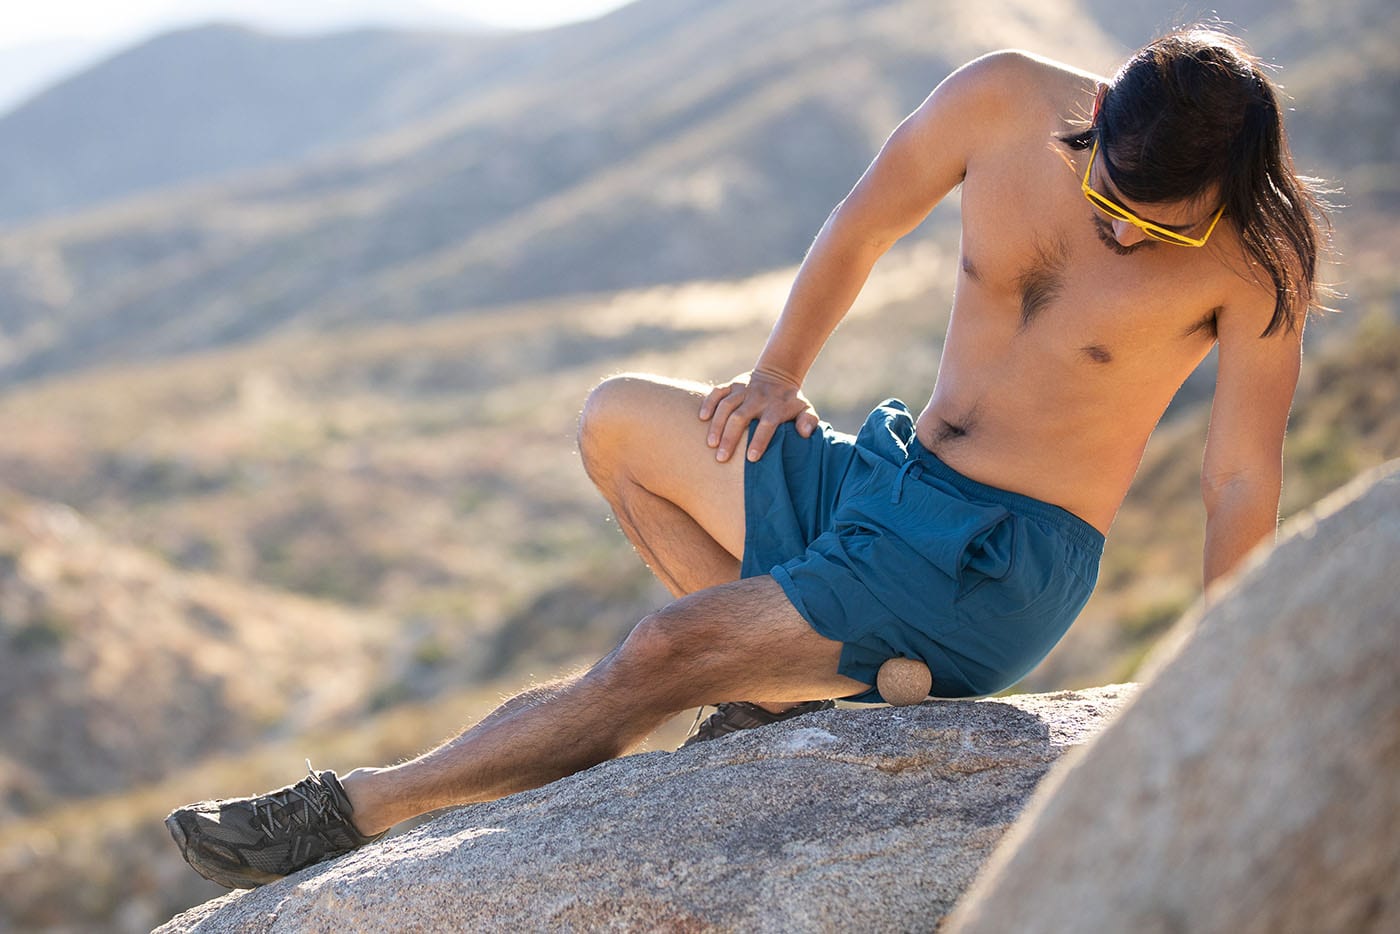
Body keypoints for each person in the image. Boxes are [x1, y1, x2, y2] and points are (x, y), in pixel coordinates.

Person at [166, 26, 1330, 889]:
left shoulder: (1254, 267)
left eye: (1161, 224)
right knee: (618, 421)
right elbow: (864, 221)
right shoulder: (1000, 97)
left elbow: (1237, 480)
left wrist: (1212, 674)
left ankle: (350, 811)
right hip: (884, 482)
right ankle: (797, 682)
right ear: (1097, 114)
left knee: (663, 650)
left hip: (989, 561)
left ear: (1227, 193)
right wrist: (776, 371)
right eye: (1105, 192)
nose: (1122, 229)